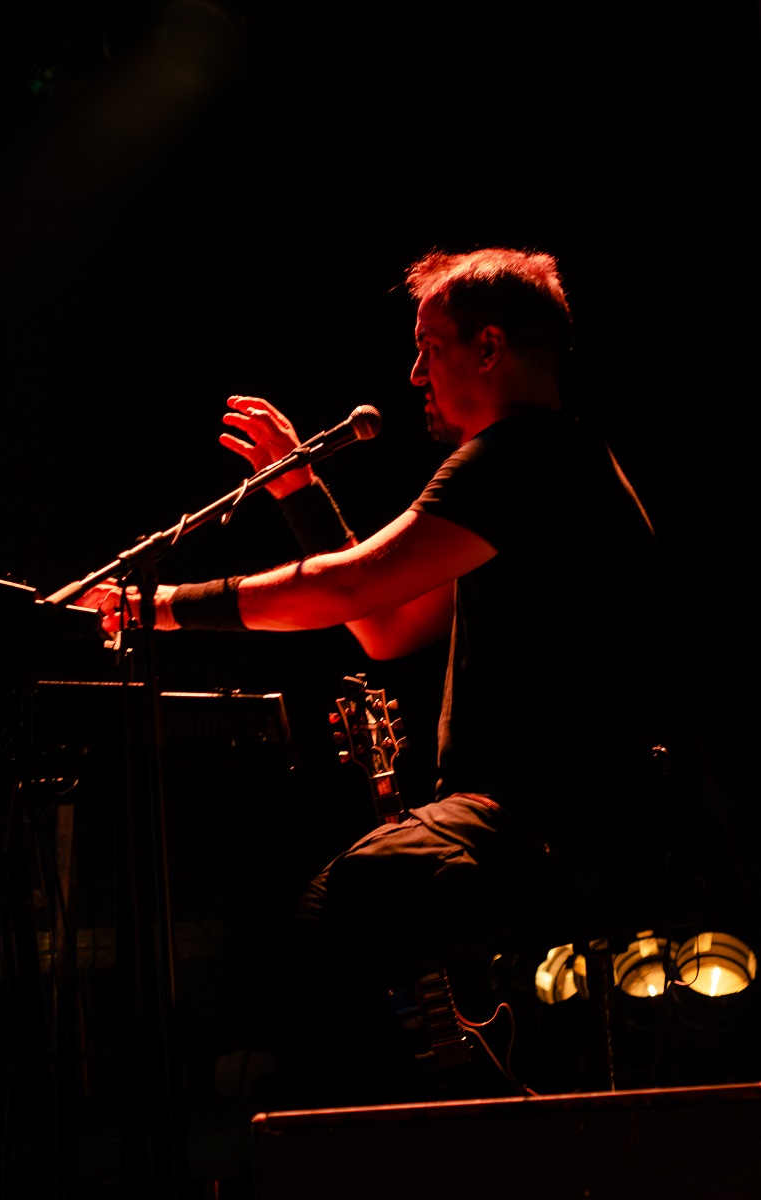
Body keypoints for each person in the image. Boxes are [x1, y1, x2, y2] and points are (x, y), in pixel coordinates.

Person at [79, 247, 675, 1103]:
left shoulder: (520, 456)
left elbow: (355, 586)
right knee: (342, 930)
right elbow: (387, 625)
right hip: (565, 814)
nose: (414, 375)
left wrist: (165, 604)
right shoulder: (553, 468)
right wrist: (296, 488)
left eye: (429, 348)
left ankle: (401, 1146)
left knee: (327, 921)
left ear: (489, 347)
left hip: (545, 815)